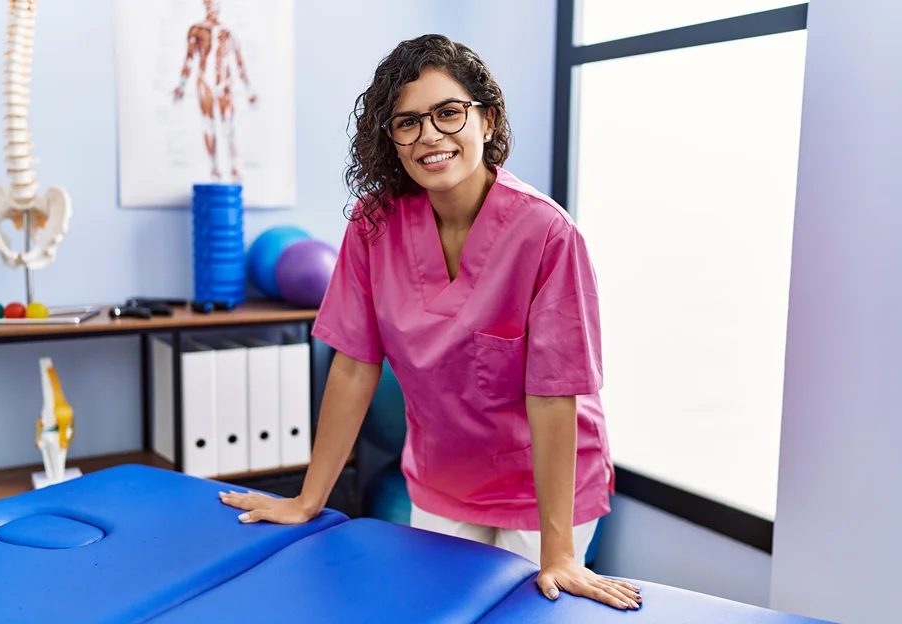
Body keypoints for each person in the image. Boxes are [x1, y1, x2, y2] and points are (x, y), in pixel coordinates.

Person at [219, 34, 641, 611]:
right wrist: (308, 499)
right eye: (408, 122)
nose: (430, 137)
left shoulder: (547, 235)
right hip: (444, 481)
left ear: (487, 121)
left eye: (449, 114)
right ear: (390, 139)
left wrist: (559, 549)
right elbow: (353, 366)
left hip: (542, 490)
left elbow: (553, 396)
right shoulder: (374, 226)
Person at [172, 0, 257, 182]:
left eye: (216, 6)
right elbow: (189, 60)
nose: (214, 9)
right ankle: (214, 167)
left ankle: (233, 167)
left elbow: (239, 62)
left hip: (224, 83)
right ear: (206, 6)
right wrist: (181, 85)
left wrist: (249, 90)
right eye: (211, 6)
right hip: (205, 83)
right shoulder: (196, 30)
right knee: (209, 125)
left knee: (228, 126)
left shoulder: (228, 32)